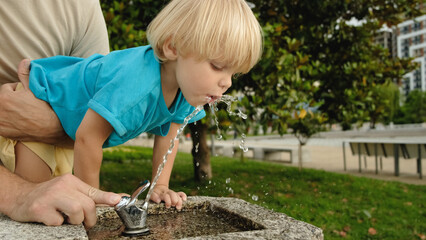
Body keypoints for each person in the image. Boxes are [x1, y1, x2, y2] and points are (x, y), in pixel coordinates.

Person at [3, 0, 263, 227]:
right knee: (40, 211)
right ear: (173, 47)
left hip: (62, 121)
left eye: (234, 73)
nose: (226, 82)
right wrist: (93, 196)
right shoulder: (136, 83)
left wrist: (160, 186)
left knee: (59, 209)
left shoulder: (188, 90)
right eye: (218, 66)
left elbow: (170, 137)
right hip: (39, 98)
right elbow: (88, 137)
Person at [0, 0, 122, 228]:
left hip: (43, 189)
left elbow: (98, 117)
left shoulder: (80, 7)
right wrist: (17, 194)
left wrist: (45, 124)